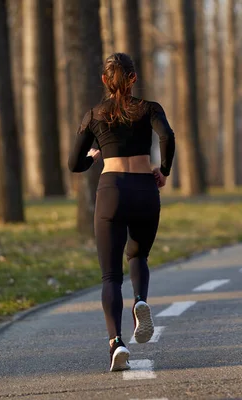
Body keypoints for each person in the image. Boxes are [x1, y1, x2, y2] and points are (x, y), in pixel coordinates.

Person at [68, 53, 175, 372]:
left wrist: (93, 156)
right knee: (138, 256)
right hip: (144, 189)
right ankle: (140, 300)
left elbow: (75, 164)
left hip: (111, 189)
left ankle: (116, 344)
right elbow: (167, 137)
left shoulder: (93, 115)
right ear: (133, 78)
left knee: (111, 276)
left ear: (104, 80)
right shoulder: (150, 108)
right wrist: (164, 170)